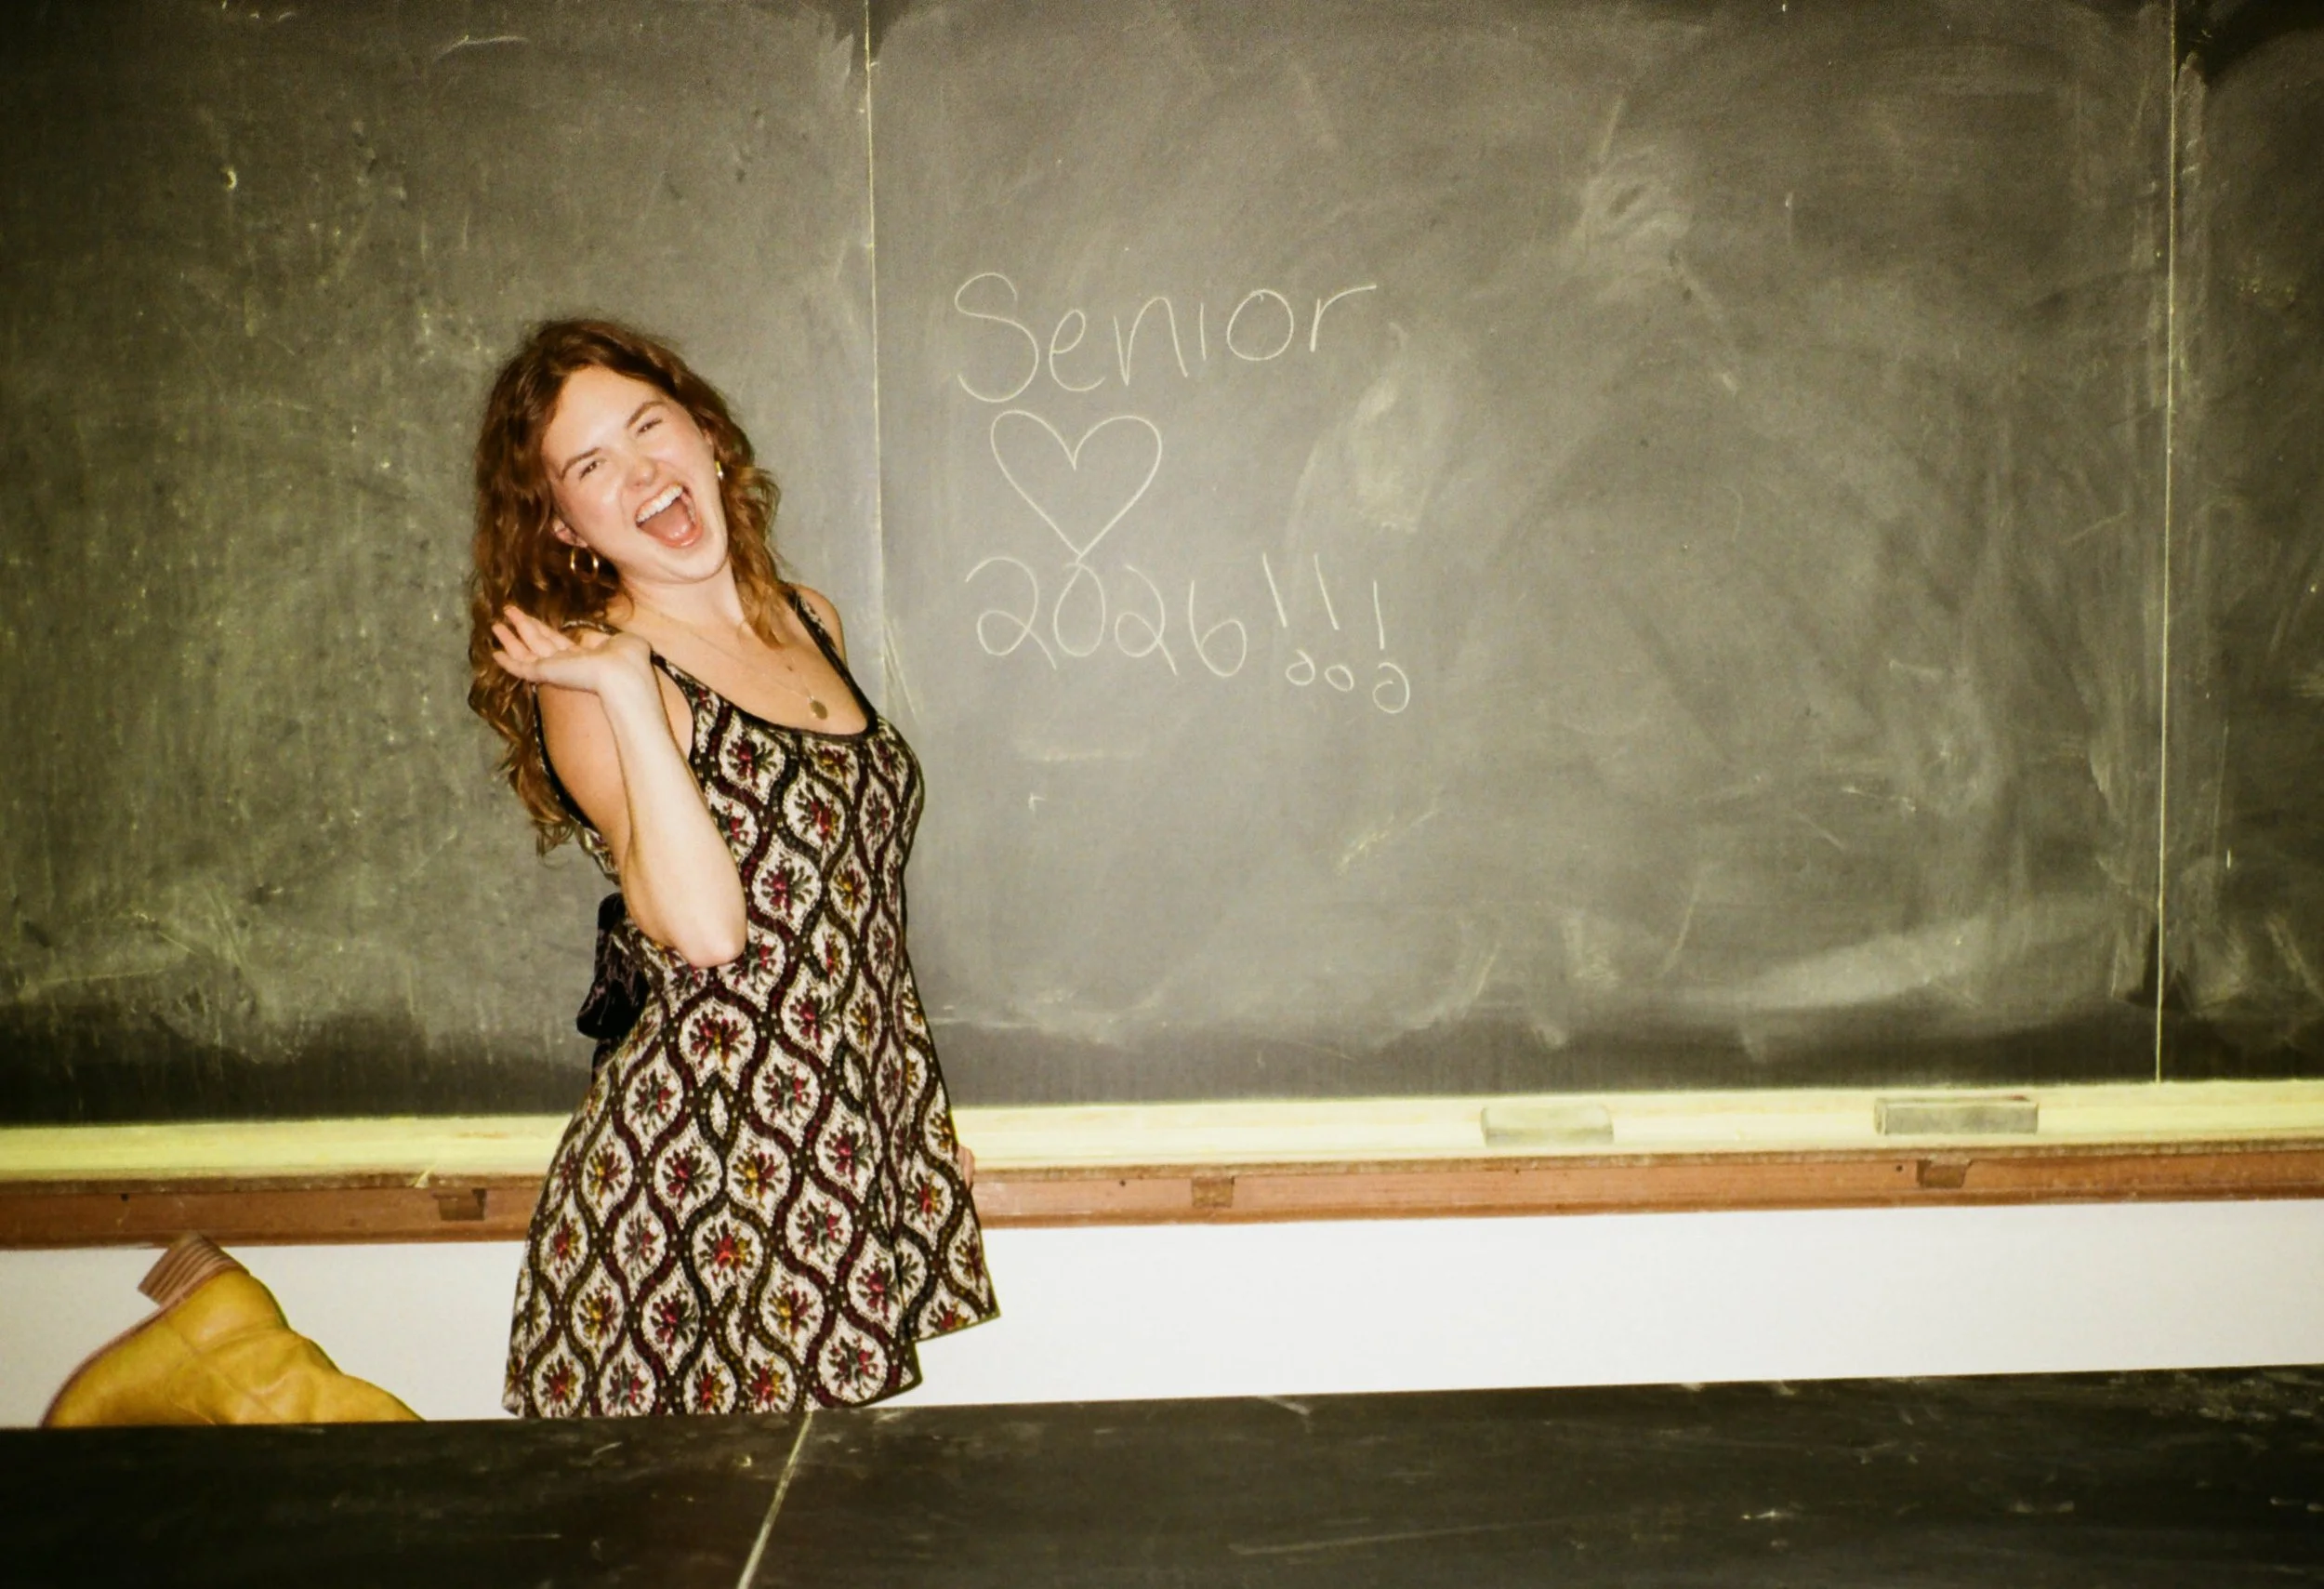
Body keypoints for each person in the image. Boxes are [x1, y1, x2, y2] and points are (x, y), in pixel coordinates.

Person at [468, 319, 997, 1416]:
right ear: (566, 525)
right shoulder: (590, 679)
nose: (641, 472)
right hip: (701, 1179)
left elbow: (849, 909)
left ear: (706, 436)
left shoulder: (810, 621)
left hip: (825, 1146)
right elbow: (705, 932)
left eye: (648, 427)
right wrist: (622, 685)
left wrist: (890, 1116)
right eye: (591, 467)